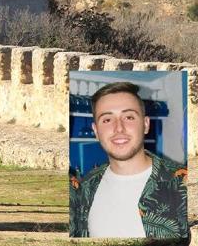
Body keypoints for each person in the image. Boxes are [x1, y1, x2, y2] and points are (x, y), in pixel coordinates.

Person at [70, 81, 187, 239]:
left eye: (129, 117)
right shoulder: (84, 188)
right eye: (107, 120)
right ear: (96, 131)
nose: (119, 128)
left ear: (145, 124)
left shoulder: (183, 185)